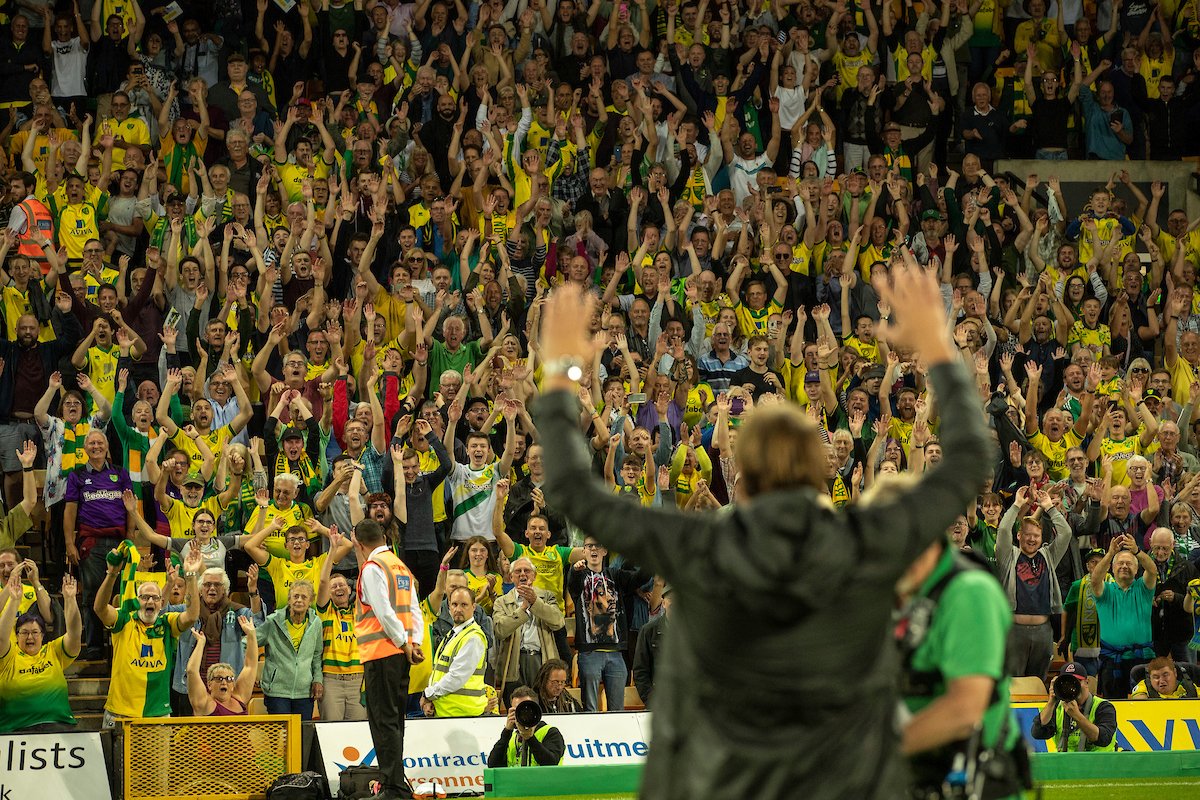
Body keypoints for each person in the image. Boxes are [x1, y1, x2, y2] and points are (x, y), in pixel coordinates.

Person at [532, 256, 989, 799]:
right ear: (822, 477)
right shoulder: (865, 541)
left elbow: (571, 489)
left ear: (741, 480)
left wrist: (563, 369)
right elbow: (965, 465)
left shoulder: (702, 544)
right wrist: (937, 345)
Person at [895, 527, 1028, 799]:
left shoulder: (969, 593)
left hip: (970, 780)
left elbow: (964, 710)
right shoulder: (907, 594)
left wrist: (870, 753)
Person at [354, 518, 425, 800]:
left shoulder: (373, 569)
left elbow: (383, 612)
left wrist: (401, 643)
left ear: (359, 544)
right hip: (401, 653)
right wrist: (413, 642)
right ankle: (396, 783)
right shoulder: (399, 565)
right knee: (395, 720)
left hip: (382, 653)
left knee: (383, 721)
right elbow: (415, 609)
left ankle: (392, 787)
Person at [95, 548, 202, 727]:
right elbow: (100, 608)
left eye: (155, 598)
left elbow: (191, 616)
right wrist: (112, 573)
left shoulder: (167, 624)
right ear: (137, 601)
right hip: (120, 713)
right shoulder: (124, 620)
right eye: (145, 597)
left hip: (157, 714)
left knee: (158, 758)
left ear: (161, 603)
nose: (150, 602)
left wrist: (190, 576)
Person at [0, 570, 81, 733]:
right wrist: (14, 601)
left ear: (43, 635)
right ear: (16, 636)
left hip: (58, 726)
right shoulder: (10, 655)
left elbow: (74, 632)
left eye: (35, 632)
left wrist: (70, 600)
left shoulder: (53, 651)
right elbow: (1, 637)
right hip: (15, 731)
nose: (30, 636)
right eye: (24, 632)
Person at [1091, 533, 1159, 698]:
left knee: (1144, 703)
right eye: (1120, 563)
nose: (1124, 566)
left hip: (1142, 657)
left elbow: (1152, 570)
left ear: (1136, 570)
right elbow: (1095, 579)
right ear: (1112, 569)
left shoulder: (1143, 588)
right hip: (1111, 659)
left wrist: (1137, 551)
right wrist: (1109, 555)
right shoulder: (1105, 590)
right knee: (1113, 705)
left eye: (1129, 563)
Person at [493, 556, 565, 704]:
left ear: (534, 575)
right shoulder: (502, 601)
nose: (523, 574)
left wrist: (535, 602)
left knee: (543, 707)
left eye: (527, 571)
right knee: (515, 708)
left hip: (541, 659)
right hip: (514, 661)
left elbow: (558, 622)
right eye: (518, 571)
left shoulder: (547, 597)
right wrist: (523, 608)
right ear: (511, 576)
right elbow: (500, 630)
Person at [255, 579, 324, 720]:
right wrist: (251, 672)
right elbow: (248, 642)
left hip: (304, 692)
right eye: (295, 596)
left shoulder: (316, 623)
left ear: (310, 601)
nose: (299, 600)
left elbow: (317, 655)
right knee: (280, 738)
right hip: (276, 692)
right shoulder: (272, 621)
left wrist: (318, 679)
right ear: (289, 600)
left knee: (301, 736)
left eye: (304, 597)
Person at [421, 586, 489, 718]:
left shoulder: (473, 637)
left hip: (463, 713)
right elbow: (438, 672)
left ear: (474, 607)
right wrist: (431, 699)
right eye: (454, 604)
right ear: (449, 607)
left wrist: (428, 694)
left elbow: (456, 677)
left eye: (464, 605)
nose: (458, 609)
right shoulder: (453, 634)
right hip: (447, 711)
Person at [1030, 661, 1118, 752]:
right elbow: (1038, 733)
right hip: (1067, 763)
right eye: (1067, 682)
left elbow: (1104, 739)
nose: (1072, 686)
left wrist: (1076, 715)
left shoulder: (1103, 707)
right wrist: (1051, 702)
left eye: (1077, 681)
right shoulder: (1057, 707)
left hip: (1099, 763)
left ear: (1086, 682)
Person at [185, 615, 259, 716]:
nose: (224, 682)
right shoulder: (205, 704)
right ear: (209, 684)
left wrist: (251, 635)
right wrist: (201, 643)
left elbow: (250, 666)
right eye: (219, 679)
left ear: (233, 685)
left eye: (228, 679)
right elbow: (191, 671)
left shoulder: (239, 697)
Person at [486, 686, 566, 768]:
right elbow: (493, 765)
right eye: (517, 710)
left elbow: (551, 763)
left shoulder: (550, 733)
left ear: (536, 709)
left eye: (527, 709)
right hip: (515, 780)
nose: (523, 713)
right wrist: (507, 731)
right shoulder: (512, 737)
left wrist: (530, 738)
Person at [633, 584, 670, 706]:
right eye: (671, 599)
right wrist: (652, 702)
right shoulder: (648, 631)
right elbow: (640, 671)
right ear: (663, 603)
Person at [1130, 657, 1199, 699]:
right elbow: (1139, 704)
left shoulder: (1190, 688)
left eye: (1165, 675)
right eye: (1156, 677)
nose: (1161, 680)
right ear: (1150, 678)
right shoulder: (1144, 686)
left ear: (1175, 673)